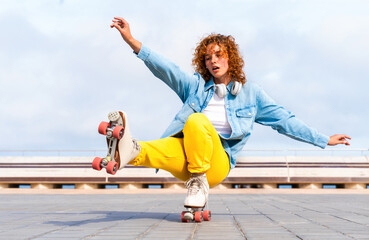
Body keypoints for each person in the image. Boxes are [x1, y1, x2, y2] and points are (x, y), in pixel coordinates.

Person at [108, 17, 351, 209]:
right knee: (163, 147)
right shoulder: (195, 87)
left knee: (196, 120)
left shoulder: (250, 94)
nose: (212, 61)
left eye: (218, 55)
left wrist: (324, 139)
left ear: (230, 58)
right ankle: (130, 151)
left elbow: (284, 120)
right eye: (207, 58)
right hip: (188, 162)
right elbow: (166, 69)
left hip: (217, 164)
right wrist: (131, 40)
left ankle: (199, 181)